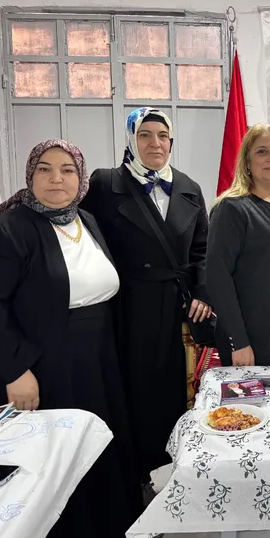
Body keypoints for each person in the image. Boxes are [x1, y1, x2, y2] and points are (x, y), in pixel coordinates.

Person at [0, 140, 144, 538]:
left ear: (81, 178)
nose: (56, 179)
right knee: (53, 463)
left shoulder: (86, 220)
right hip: (41, 365)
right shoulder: (7, 230)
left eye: (67, 170)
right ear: (30, 176)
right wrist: (16, 369)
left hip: (93, 361)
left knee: (91, 454)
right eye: (44, 169)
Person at [80, 107, 212, 493]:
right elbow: (84, 235)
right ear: (130, 140)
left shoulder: (187, 186)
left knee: (172, 392)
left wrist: (202, 292)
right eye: (145, 135)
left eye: (163, 136)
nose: (155, 143)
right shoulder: (105, 183)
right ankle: (132, 475)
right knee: (130, 389)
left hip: (175, 305)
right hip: (126, 306)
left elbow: (202, 249)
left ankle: (168, 467)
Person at [207, 124, 270, 367]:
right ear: (247, 162)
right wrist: (239, 342)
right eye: (262, 151)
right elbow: (218, 279)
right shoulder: (231, 209)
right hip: (249, 342)